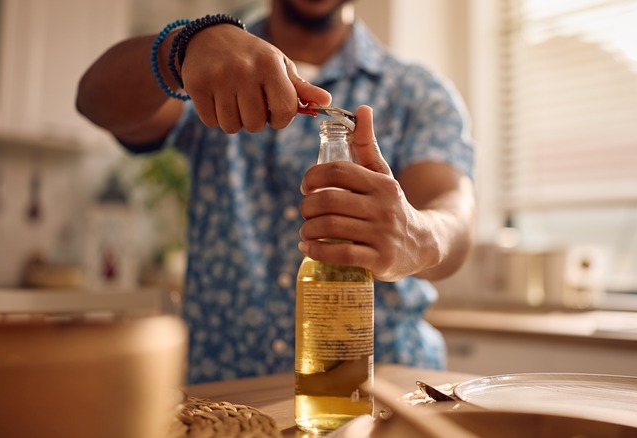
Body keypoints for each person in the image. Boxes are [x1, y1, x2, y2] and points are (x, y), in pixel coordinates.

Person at [76, 0, 475, 384]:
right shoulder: (208, 65)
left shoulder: (419, 92)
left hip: (384, 394)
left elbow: (452, 212)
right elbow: (94, 100)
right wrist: (180, 49)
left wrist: (419, 234)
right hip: (226, 402)